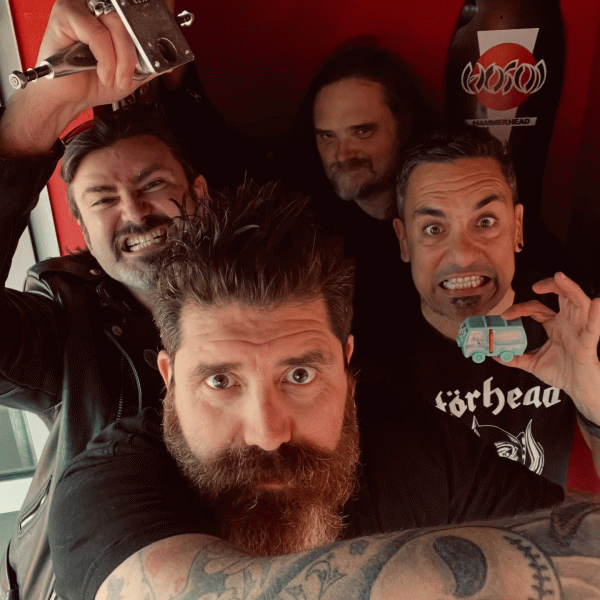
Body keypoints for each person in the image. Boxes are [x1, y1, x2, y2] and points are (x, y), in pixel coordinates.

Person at [47, 181, 577, 600]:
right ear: (168, 378)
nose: (267, 433)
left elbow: (573, 538)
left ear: (346, 366)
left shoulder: (415, 442)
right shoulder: (105, 492)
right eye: (220, 381)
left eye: (299, 376)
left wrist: (594, 404)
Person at [0, 0, 225, 596]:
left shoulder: (271, 304)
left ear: (199, 193)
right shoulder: (63, 332)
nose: (135, 211)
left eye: (153, 184)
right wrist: (35, 114)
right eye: (103, 199)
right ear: (81, 227)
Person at [389, 126, 600, 488]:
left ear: (517, 227)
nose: (462, 256)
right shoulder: (374, 356)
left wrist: (590, 396)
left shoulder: (576, 322)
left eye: (485, 222)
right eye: (433, 229)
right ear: (404, 240)